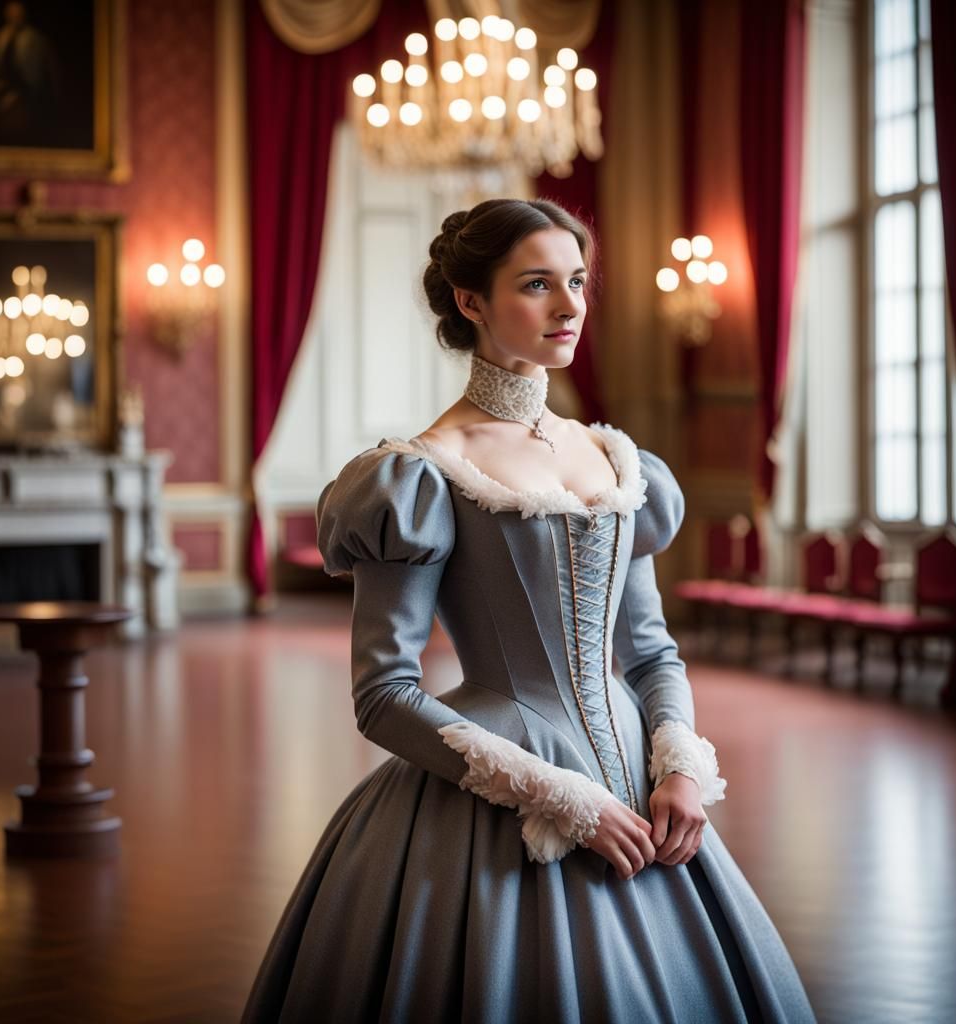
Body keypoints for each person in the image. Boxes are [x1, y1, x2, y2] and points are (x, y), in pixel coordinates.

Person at [242, 198, 817, 1023]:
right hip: (499, 793)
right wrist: (562, 799)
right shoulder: (420, 473)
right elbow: (383, 695)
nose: (569, 305)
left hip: (641, 780)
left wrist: (682, 767)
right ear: (471, 301)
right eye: (537, 284)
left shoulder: (616, 459)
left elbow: (651, 652)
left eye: (577, 281)